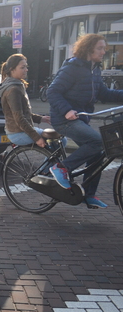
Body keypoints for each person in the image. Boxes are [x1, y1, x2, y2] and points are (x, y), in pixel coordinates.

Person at [47, 33, 123, 209]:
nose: (104, 51)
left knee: (98, 152)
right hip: (64, 119)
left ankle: (89, 195)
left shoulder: (94, 69)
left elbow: (103, 93)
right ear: (89, 48)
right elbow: (53, 91)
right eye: (100, 48)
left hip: (81, 119)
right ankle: (61, 168)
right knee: (97, 142)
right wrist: (67, 111)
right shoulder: (73, 67)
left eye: (104, 48)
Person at [0, 53, 63, 149]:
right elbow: (19, 118)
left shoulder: (17, 85)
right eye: (22, 67)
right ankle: (51, 165)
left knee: (58, 143)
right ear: (12, 69)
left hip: (20, 130)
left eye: (26, 67)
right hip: (18, 133)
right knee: (57, 143)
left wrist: (41, 119)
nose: (26, 70)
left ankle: (51, 163)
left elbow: (24, 113)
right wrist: (37, 138)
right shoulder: (13, 90)